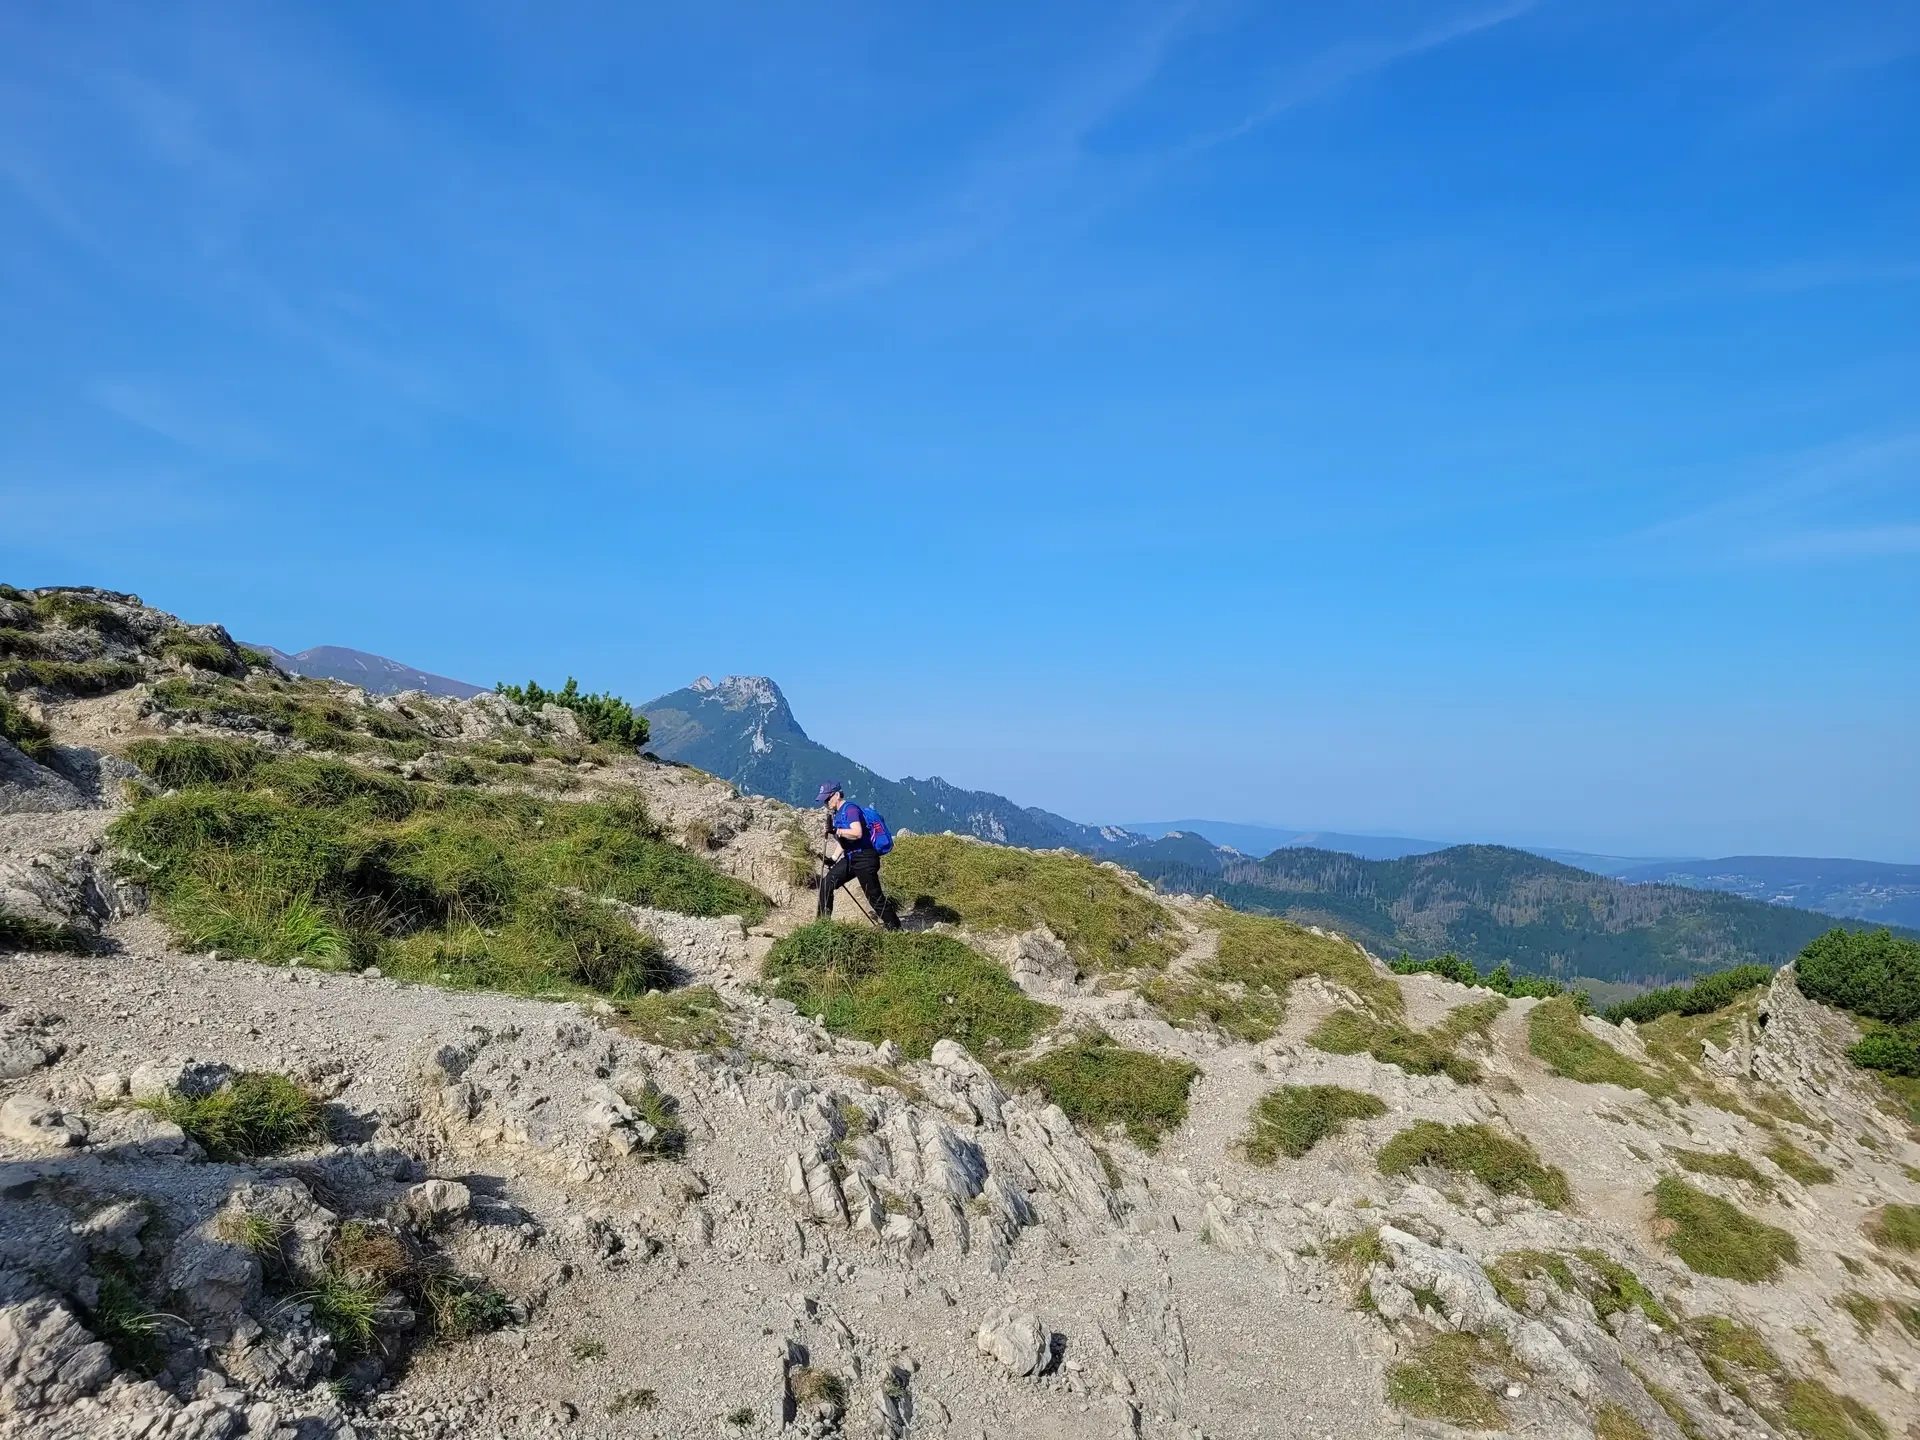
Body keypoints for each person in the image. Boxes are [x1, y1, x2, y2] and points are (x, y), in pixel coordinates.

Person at [815, 781, 900, 929]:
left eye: (828, 799)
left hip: (865, 858)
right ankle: (821, 926)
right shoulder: (838, 814)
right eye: (824, 800)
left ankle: (896, 929)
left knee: (874, 898)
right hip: (851, 857)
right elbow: (845, 842)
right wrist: (833, 859)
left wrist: (837, 831)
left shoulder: (850, 810)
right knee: (826, 883)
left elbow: (857, 833)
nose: (826, 803)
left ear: (836, 795)